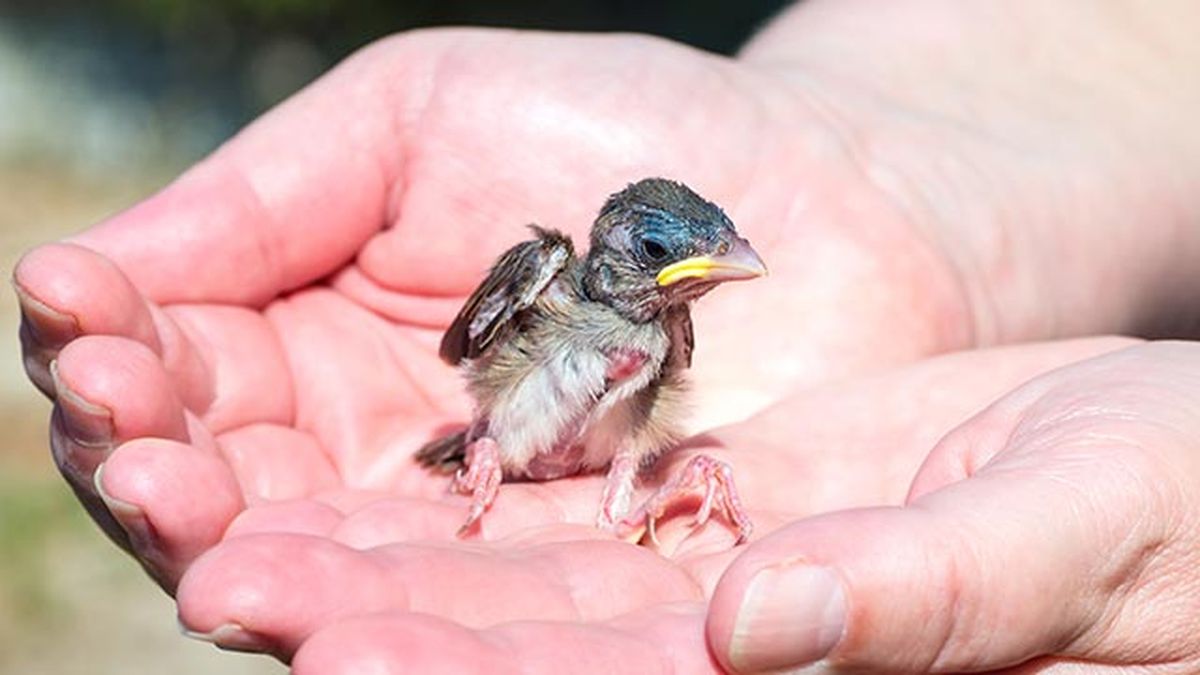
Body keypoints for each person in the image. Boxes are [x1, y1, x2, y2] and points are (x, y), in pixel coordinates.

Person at [15, 0, 1200, 672]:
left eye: (703, 265)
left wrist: (677, 480)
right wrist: (479, 456)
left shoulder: (665, 337)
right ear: (608, 251)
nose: (690, 283)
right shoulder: (551, 275)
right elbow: (468, 357)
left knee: (658, 439)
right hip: (509, 436)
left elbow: (648, 414)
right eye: (660, 258)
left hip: (602, 456)